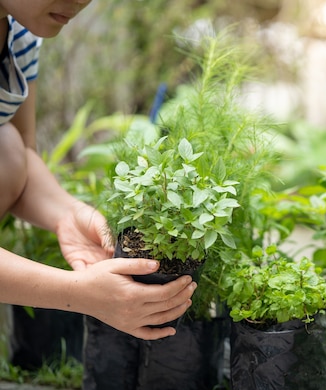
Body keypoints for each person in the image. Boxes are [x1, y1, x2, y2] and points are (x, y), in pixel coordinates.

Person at [0, 0, 197, 340]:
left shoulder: (19, 35)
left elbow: (18, 158)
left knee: (7, 145)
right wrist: (77, 292)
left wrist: (67, 214)